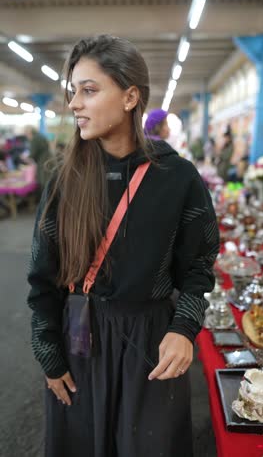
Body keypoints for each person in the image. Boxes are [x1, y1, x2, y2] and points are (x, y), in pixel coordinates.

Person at [27, 35, 219, 457]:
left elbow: (199, 266)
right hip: (78, 336)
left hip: (152, 343)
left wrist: (184, 329)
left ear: (131, 96)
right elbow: (42, 279)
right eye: (72, 91)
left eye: (89, 90)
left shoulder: (178, 177)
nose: (75, 103)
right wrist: (49, 354)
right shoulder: (65, 178)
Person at [25, 126, 52, 193]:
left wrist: (26, 157)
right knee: (48, 177)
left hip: (42, 160)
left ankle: (43, 197)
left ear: (30, 132)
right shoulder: (40, 136)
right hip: (48, 158)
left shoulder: (35, 139)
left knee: (43, 179)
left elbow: (33, 153)